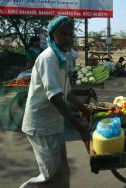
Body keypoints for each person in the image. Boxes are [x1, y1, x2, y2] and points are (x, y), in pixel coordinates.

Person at [20, 16, 92, 188]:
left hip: (53, 124)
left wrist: (84, 109)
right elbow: (55, 97)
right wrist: (79, 126)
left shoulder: (62, 57)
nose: (67, 37)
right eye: (62, 34)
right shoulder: (49, 58)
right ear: (52, 36)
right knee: (50, 176)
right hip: (41, 125)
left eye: (70, 33)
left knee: (61, 174)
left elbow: (66, 91)